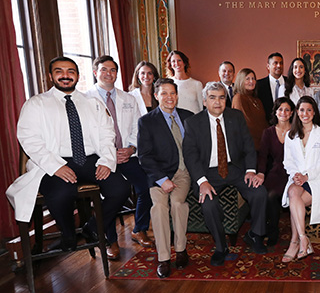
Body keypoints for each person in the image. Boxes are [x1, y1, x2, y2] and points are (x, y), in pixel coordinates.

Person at [6, 56, 129, 254]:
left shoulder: (93, 103)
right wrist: (56, 166)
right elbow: (29, 139)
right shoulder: (36, 104)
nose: (65, 76)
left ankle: (92, 227)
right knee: (61, 192)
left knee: (120, 188)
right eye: (59, 71)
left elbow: (108, 133)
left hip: (89, 160)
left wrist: (106, 161)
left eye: (71, 71)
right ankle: (68, 235)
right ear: (50, 76)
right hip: (54, 160)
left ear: (78, 76)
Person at [182, 81, 268, 266]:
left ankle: (255, 234)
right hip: (208, 173)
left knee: (260, 193)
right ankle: (221, 247)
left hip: (235, 168)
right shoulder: (193, 123)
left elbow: (248, 146)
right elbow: (190, 156)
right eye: (212, 98)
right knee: (209, 205)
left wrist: (251, 171)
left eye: (221, 97)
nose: (217, 102)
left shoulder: (236, 117)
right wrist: (202, 181)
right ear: (205, 101)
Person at [87, 55, 153, 259]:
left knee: (148, 186)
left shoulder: (128, 98)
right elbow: (86, 134)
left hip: (127, 154)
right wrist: (108, 154)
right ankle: (110, 240)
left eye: (113, 70)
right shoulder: (85, 100)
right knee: (112, 194)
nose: (109, 74)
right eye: (104, 69)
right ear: (95, 72)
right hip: (101, 157)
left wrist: (132, 148)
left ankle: (139, 228)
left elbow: (136, 127)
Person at [137, 78, 194, 278]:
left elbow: (197, 148)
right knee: (159, 207)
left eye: (172, 93)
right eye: (164, 93)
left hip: (183, 172)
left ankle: (180, 249)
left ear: (177, 96)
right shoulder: (147, 121)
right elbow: (144, 156)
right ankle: (163, 257)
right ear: (156, 96)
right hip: (158, 175)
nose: (169, 97)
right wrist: (162, 179)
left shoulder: (189, 117)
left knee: (178, 204)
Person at [282, 96, 320, 262]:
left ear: (314, 112)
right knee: (293, 193)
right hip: (298, 179)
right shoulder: (290, 135)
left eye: (309, 110)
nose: (305, 113)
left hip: (317, 179)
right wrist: (296, 174)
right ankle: (303, 239)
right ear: (297, 112)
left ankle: (295, 241)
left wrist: (307, 176)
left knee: (294, 201)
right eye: (302, 110)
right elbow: (287, 161)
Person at [256, 97, 295, 247]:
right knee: (269, 194)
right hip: (276, 171)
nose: (283, 112)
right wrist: (260, 173)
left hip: (293, 173)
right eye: (280, 109)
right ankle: (272, 230)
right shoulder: (268, 132)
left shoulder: (297, 130)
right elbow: (263, 156)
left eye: (287, 109)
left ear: (291, 112)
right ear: (275, 112)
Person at [231, 68, 269, 150]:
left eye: (253, 78)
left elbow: (263, 121)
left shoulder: (257, 100)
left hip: (261, 145)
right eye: (247, 79)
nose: (251, 81)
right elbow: (247, 123)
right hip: (249, 146)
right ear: (240, 81)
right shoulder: (239, 98)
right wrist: (265, 136)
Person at [256, 52, 285, 121]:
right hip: (266, 125)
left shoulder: (290, 83)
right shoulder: (259, 85)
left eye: (281, 63)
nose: (279, 66)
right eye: (275, 63)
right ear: (268, 66)